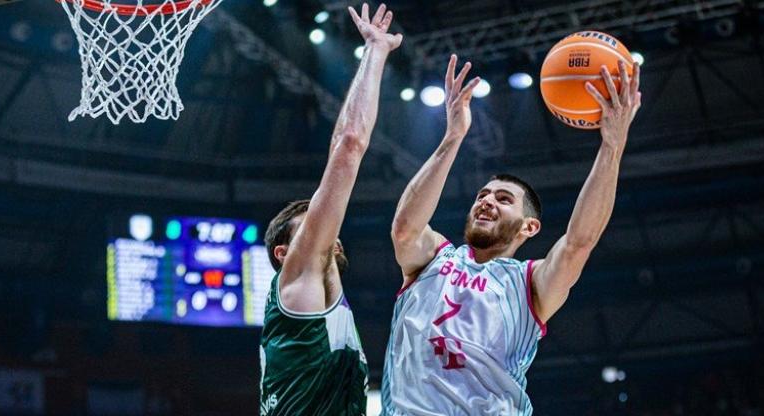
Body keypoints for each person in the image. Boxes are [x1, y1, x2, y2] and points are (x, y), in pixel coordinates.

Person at [381, 55, 642, 415]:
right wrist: (453, 137)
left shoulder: (529, 283)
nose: (487, 201)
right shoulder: (433, 258)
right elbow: (404, 228)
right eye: (482, 196)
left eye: (503, 199)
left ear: (528, 227)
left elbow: (579, 243)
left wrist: (612, 146)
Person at [257, 4, 402, 415]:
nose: (329, 227)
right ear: (283, 253)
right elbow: (349, 145)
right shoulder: (298, 277)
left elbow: (341, 144)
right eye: (309, 225)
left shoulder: (319, 298)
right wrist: (375, 52)